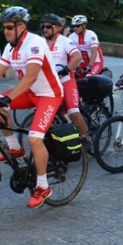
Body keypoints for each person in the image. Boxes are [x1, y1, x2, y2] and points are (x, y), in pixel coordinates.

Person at [0, 7, 63, 209]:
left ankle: (43, 186)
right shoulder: (11, 47)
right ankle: (14, 148)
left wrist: (9, 97)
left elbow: (30, 77)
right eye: (4, 27)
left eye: (10, 27)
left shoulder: (35, 43)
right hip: (29, 94)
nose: (6, 31)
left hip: (49, 95)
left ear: (22, 26)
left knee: (35, 138)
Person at [40, 13, 89, 148]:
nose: (45, 29)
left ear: (57, 28)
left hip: (66, 81)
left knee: (73, 111)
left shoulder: (65, 41)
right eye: (43, 26)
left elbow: (77, 56)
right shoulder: (40, 41)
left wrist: (66, 70)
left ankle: (85, 138)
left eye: (48, 27)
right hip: (50, 83)